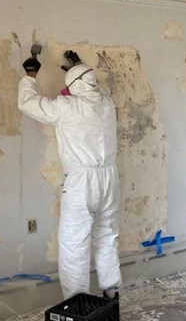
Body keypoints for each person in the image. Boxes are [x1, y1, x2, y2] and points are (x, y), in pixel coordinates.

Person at [18, 51, 121, 300]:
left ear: (73, 87)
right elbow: (86, 89)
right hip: (109, 179)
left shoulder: (66, 107)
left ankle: (77, 302)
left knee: (74, 244)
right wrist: (78, 68)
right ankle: (112, 292)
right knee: (107, 236)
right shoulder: (107, 104)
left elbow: (28, 103)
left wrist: (30, 75)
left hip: (81, 183)